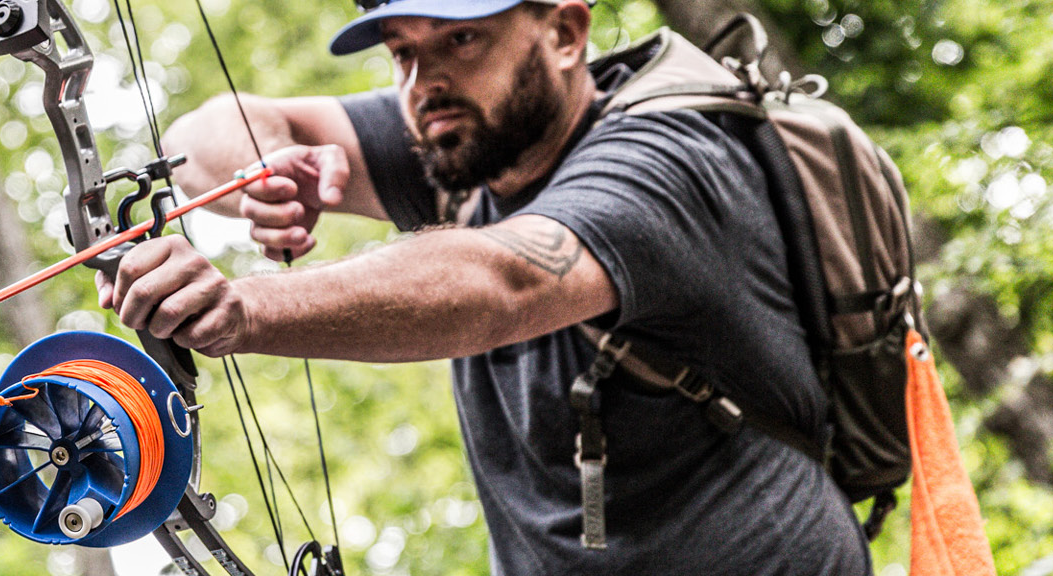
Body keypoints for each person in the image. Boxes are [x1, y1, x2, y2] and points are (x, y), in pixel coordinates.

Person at [93, 0, 877, 573]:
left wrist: (244, 307)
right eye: (402, 53)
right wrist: (266, 166)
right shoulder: (468, 136)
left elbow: (502, 280)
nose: (424, 81)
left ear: (565, 33)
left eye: (461, 38)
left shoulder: (669, 159)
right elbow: (200, 136)